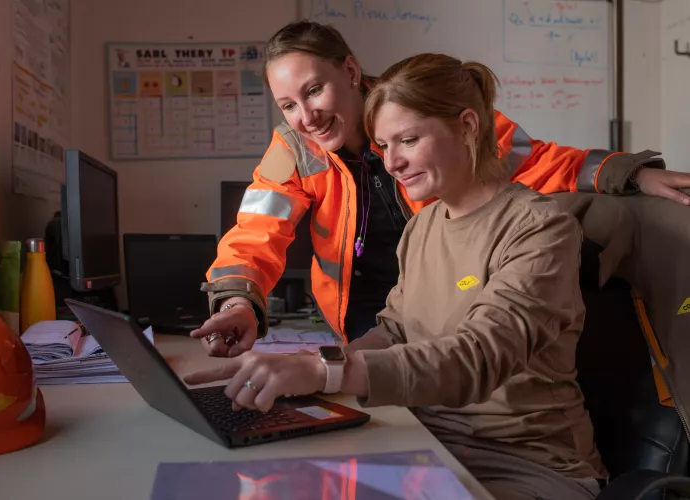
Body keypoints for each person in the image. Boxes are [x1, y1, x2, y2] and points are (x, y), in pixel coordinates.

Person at [186, 52, 606, 500]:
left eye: (408, 140)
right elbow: (394, 329)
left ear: (467, 126)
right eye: (383, 147)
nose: (392, 164)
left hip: (522, 464)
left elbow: (477, 358)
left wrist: (322, 372)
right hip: (420, 441)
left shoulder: (541, 228)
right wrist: (296, 366)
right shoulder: (424, 225)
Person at [193, 20, 690, 356]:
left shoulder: (419, 106)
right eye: (287, 105)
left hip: (447, 305)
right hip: (366, 314)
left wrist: (632, 174)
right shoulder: (294, 151)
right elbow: (255, 233)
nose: (306, 117)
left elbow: (530, 158)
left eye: (314, 91)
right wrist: (238, 303)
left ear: (348, 70)